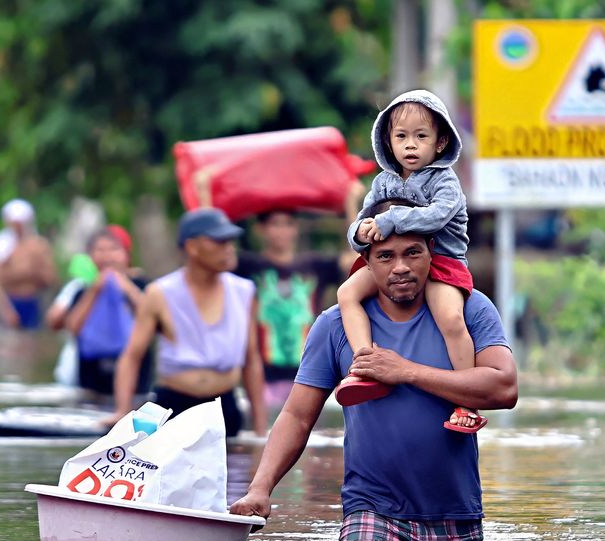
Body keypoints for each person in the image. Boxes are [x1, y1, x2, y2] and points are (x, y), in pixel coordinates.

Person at [230, 223, 518, 541]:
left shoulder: (468, 308)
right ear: (365, 262)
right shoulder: (335, 325)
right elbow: (297, 416)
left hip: (457, 513)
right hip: (370, 512)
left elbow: (504, 388)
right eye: (385, 256)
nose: (400, 267)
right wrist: (260, 488)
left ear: (432, 251)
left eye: (413, 252)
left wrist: (406, 371)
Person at [337, 89, 482, 432]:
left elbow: (436, 216)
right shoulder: (384, 182)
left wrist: (390, 221)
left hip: (441, 262)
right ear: (387, 141)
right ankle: (364, 365)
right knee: (346, 294)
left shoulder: (445, 180)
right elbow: (362, 219)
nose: (411, 146)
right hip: (395, 262)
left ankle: (467, 401)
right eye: (401, 137)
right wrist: (359, 234)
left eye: (421, 136)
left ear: (441, 141)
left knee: (449, 318)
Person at [106, 208, 267, 437]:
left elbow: (251, 361)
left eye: (230, 241)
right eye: (219, 241)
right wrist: (122, 411)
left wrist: (260, 430)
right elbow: (132, 356)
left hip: (223, 408)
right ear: (192, 247)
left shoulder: (244, 292)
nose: (229, 248)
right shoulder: (160, 293)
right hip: (173, 406)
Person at [234, 182, 364, 405]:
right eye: (275, 224)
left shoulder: (314, 265)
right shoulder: (248, 267)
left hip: (309, 375)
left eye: (288, 224)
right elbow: (212, 248)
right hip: (262, 378)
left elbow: (355, 260)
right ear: (260, 229)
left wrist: (350, 204)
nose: (282, 231)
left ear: (296, 228)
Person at [46, 226, 153, 401]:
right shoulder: (82, 289)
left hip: (136, 384)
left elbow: (152, 318)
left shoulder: (142, 285)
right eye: (100, 250)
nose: (107, 256)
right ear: (90, 256)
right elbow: (72, 328)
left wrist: (126, 288)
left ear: (126, 255)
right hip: (91, 383)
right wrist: (95, 291)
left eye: (114, 249)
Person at [0, 199, 59, 330]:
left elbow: (50, 277)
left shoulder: (39, 245)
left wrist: (30, 272)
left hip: (33, 300)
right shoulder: (1, 245)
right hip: (9, 300)